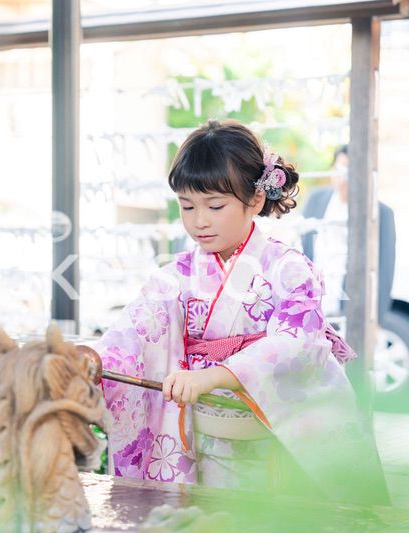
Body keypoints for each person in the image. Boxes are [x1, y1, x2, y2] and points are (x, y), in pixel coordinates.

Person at [94, 120, 390, 505]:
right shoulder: (178, 276)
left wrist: (220, 374)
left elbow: (296, 342)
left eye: (215, 205)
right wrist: (95, 360)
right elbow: (137, 326)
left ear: (254, 200)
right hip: (200, 441)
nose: (198, 220)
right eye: (187, 206)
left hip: (276, 440)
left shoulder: (288, 268)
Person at [301, 145, 396, 321]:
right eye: (339, 169)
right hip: (312, 309)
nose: (343, 178)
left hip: (351, 312)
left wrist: (377, 320)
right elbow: (301, 248)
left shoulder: (381, 213)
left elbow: (385, 271)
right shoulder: (316, 200)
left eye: (349, 171)